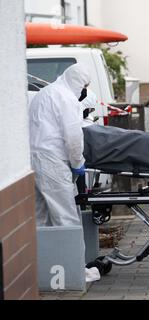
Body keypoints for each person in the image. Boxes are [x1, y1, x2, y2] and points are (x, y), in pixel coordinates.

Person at [29, 63, 90, 227]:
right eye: (84, 85)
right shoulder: (66, 98)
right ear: (77, 81)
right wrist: (78, 162)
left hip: (33, 159)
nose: (84, 90)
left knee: (40, 218)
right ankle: (71, 253)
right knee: (66, 218)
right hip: (52, 162)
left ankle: (44, 253)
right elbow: (73, 136)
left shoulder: (45, 92)